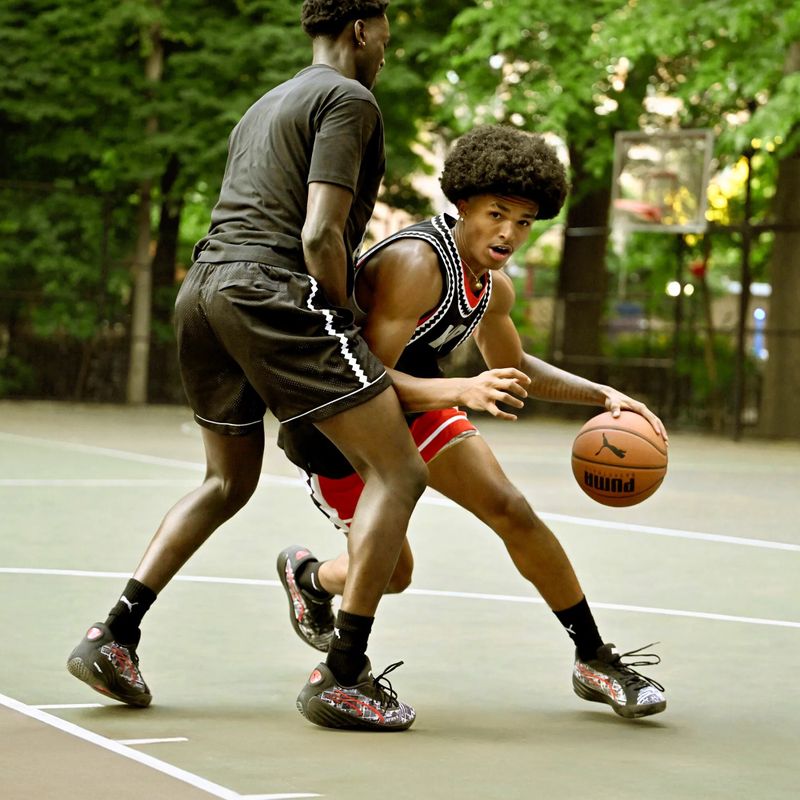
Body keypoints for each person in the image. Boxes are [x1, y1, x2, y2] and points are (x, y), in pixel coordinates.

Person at [67, 0, 426, 733]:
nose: (388, 47)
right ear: (361, 28)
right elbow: (321, 231)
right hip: (270, 289)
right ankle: (343, 674)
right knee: (400, 472)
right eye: (386, 31)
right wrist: (344, 326)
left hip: (202, 291)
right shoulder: (350, 99)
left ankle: (115, 634)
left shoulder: (265, 104)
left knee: (225, 481)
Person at [277, 124, 669, 720]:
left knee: (511, 509)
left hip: (421, 402)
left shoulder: (491, 286)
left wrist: (601, 395)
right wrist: (461, 387)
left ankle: (594, 658)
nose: (509, 232)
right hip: (343, 423)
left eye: (524, 221)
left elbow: (513, 369)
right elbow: (366, 380)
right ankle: (311, 578)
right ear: (463, 205)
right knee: (394, 572)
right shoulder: (417, 263)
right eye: (497, 213)